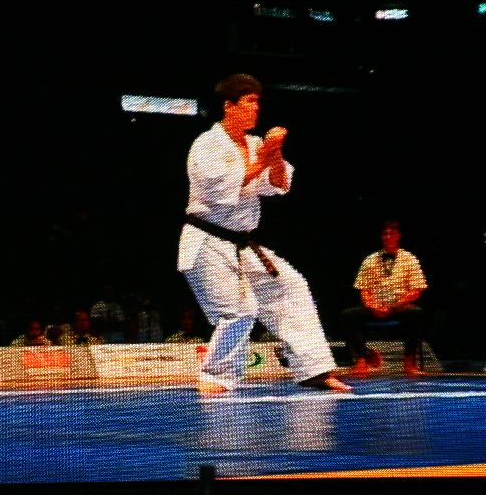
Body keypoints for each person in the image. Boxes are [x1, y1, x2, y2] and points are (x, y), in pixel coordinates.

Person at [177, 73, 351, 393]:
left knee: (290, 286)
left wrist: (275, 153)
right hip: (206, 243)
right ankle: (215, 376)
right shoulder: (206, 145)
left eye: (258, 102)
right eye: (249, 101)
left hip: (243, 244)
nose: (255, 108)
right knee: (239, 311)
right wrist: (265, 156)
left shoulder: (255, 144)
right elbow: (222, 187)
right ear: (229, 106)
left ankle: (313, 369)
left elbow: (279, 184)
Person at [340, 220, 428, 376]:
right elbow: (364, 291)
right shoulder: (370, 260)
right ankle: (361, 361)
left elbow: (416, 290)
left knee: (416, 313)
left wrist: (394, 306)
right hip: (375, 308)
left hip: (399, 308)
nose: (387, 237)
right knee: (348, 315)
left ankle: (409, 363)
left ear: (398, 236)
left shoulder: (410, 259)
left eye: (391, 234)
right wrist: (374, 306)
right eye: (385, 234)